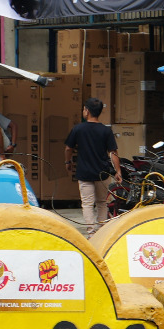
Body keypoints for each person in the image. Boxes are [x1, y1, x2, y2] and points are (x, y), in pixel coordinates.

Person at [65, 97, 121, 237]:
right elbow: (113, 152)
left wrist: (68, 162)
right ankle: (102, 232)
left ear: (87, 111)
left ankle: (91, 233)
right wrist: (118, 171)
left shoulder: (78, 129)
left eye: (84, 109)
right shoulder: (106, 131)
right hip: (103, 173)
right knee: (102, 202)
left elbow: (68, 148)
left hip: (84, 172)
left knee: (87, 204)